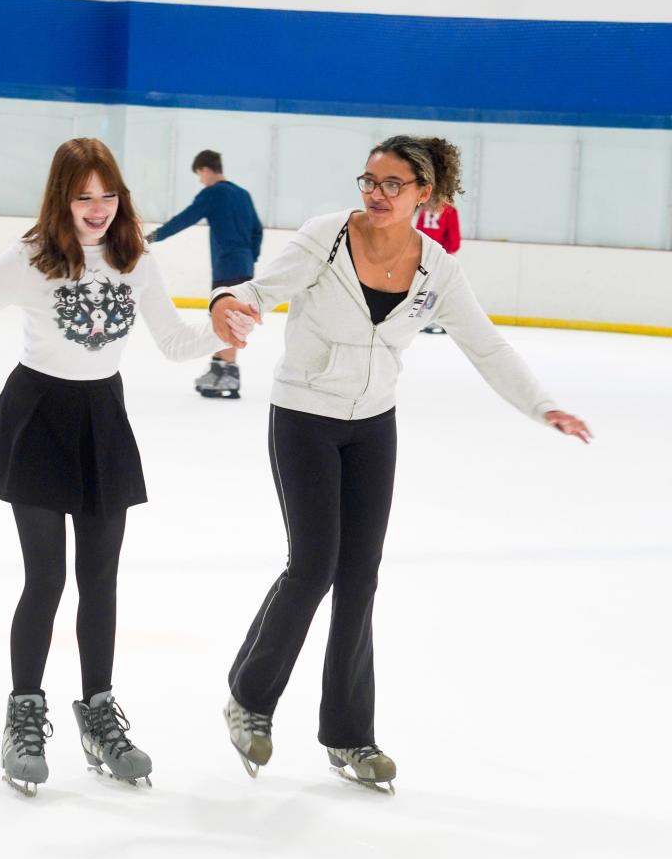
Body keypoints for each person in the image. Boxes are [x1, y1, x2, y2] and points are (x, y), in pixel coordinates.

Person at [209, 135, 591, 793]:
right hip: (304, 416)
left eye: (392, 185)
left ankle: (350, 735)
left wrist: (543, 406)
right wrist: (228, 305)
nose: (376, 195)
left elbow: (488, 348)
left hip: (372, 426)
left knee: (360, 576)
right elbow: (259, 290)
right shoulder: (327, 238)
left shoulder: (436, 267)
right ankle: (250, 697)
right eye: (369, 180)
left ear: (424, 195)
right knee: (314, 565)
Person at [0, 138, 245, 796]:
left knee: (100, 580)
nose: (99, 208)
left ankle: (98, 713)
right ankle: (24, 712)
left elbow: (170, 342)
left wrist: (224, 334)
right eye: (85, 196)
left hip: (103, 417)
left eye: (109, 195)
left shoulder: (136, 259)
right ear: (62, 198)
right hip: (38, 416)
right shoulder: (32, 258)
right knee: (46, 578)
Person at [146, 149, 262, 400]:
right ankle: (218, 369)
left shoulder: (213, 193)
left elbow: (184, 219)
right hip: (242, 265)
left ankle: (228, 372)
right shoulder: (243, 194)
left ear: (206, 170)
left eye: (200, 175)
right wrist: (250, 257)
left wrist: (151, 238)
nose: (200, 180)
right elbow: (257, 230)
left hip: (227, 267)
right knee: (224, 316)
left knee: (228, 319)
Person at [414, 198, 461, 335]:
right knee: (442, 289)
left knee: (423, 287)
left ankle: (422, 320)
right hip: (441, 255)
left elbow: (418, 232)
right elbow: (454, 240)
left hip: (424, 254)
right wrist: (448, 253)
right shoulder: (450, 210)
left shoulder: (424, 208)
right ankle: (441, 320)